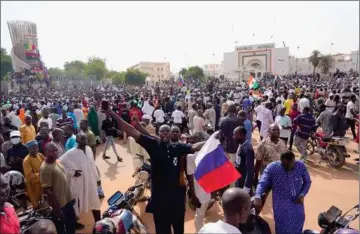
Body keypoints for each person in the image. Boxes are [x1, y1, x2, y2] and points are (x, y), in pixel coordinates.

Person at [106, 108, 205, 234]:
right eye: (162, 131)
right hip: (160, 202)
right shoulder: (153, 145)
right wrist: (113, 113)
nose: (164, 133)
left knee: (179, 230)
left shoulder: (179, 147)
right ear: (158, 133)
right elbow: (131, 131)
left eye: (167, 131)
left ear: (170, 134)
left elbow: (194, 147)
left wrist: (212, 139)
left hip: (177, 201)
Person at [254, 151, 312, 234]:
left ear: (294, 160)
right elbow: (262, 183)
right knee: (282, 228)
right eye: (284, 164)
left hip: (297, 204)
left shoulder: (301, 166)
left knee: (298, 224)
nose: (287, 167)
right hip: (281, 206)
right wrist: (257, 195)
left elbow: (308, 182)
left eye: (289, 164)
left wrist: (302, 194)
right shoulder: (272, 168)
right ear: (281, 161)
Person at [59, 133, 101, 224]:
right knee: (77, 204)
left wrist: (97, 179)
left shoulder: (89, 149)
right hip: (79, 182)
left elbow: (93, 165)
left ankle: (99, 223)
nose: (85, 141)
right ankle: (74, 224)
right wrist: (72, 172)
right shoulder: (71, 153)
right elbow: (60, 163)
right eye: (82, 139)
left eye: (85, 139)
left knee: (95, 202)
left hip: (91, 181)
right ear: (77, 140)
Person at [41, 142, 77, 234]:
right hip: (59, 205)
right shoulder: (45, 168)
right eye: (52, 151)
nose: (55, 153)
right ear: (45, 152)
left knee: (72, 224)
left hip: (67, 201)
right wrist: (57, 210)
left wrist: (70, 197)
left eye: (56, 150)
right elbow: (47, 191)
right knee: (62, 229)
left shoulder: (57, 161)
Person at [186, 132, 210, 232]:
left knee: (201, 213)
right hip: (199, 191)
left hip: (206, 190)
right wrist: (193, 195)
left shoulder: (206, 155)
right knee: (199, 215)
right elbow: (190, 177)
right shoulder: (191, 157)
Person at [23, 140, 45, 208]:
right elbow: (29, 176)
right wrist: (42, 175)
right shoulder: (26, 161)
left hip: (44, 183)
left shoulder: (40, 155)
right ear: (29, 149)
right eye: (33, 148)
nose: (36, 149)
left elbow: (46, 164)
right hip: (35, 186)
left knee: (45, 201)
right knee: (37, 203)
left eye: (37, 147)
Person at [233, 126, 254, 194]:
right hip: (239, 180)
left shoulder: (247, 149)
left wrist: (247, 187)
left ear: (242, 135)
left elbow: (250, 170)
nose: (233, 137)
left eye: (235, 134)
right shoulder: (241, 145)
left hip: (244, 183)